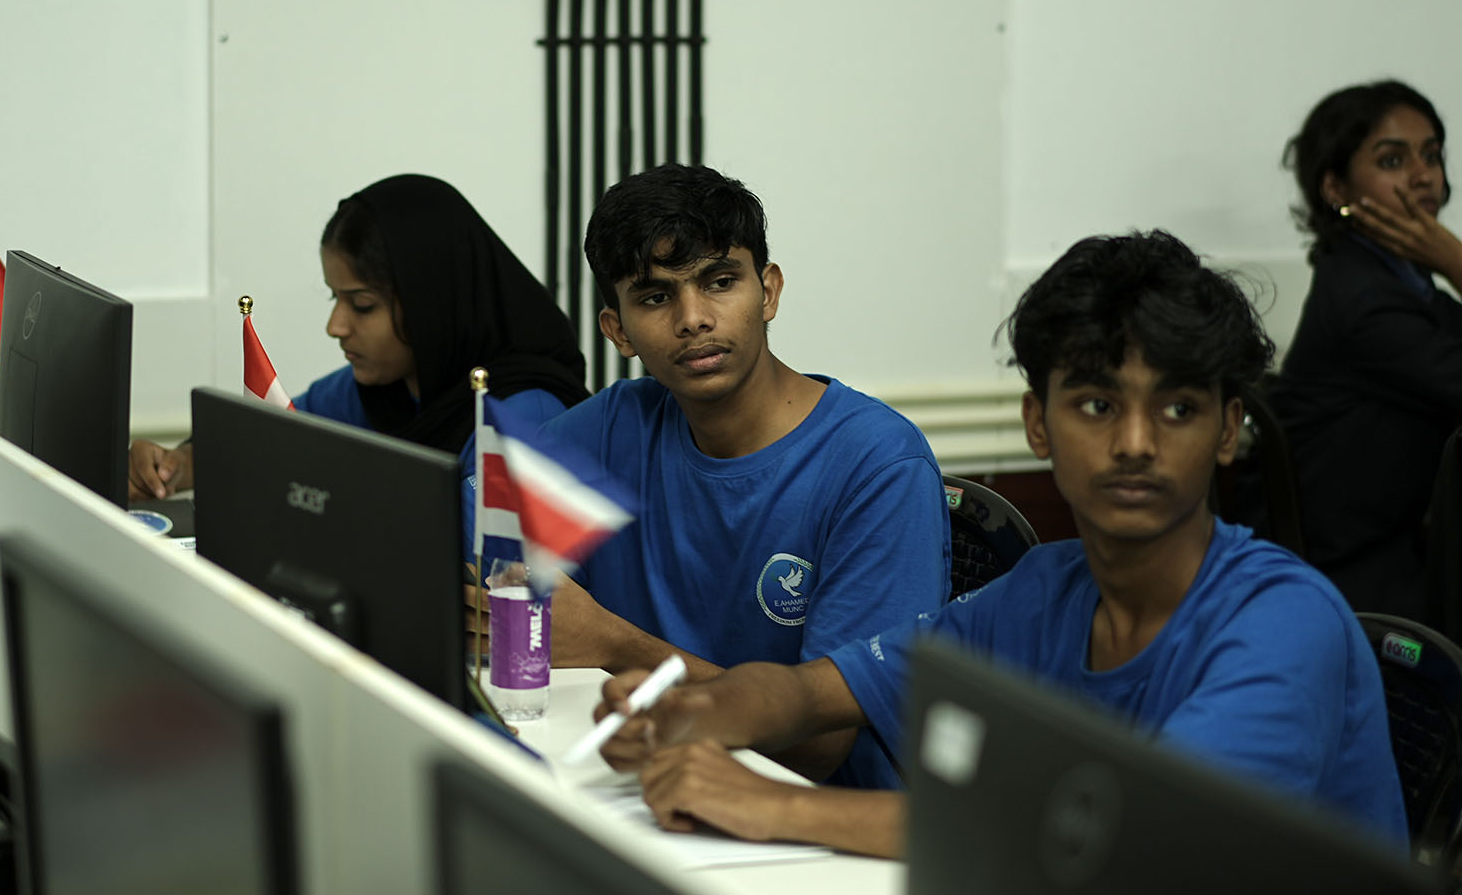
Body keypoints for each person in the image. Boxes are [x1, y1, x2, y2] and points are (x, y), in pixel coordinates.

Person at [592, 231, 1406, 857]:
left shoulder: (1284, 620)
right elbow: (814, 692)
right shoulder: (1046, 588)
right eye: (1096, 406)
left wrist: (774, 804)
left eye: (1178, 409)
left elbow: (1126, 842)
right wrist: (699, 709)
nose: (1134, 443)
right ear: (1036, 425)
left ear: (1229, 429)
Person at [524, 163, 952, 791]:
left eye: (720, 282)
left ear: (768, 292)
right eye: (655, 297)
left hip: (820, 820)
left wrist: (613, 644)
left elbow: (821, 747)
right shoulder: (613, 427)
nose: (693, 319)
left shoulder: (877, 464)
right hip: (654, 786)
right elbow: (479, 533)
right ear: (617, 330)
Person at [128, 174, 589, 499]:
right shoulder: (379, 390)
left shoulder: (527, 418)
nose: (335, 326)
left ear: (433, 305)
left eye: (362, 305)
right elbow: (271, 440)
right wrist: (180, 465)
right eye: (335, 298)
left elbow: (484, 576)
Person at [1261, 80, 1459, 620]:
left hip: (1404, 552)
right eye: (1393, 160)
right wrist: (1456, 260)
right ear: (1335, 188)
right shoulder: (1363, 300)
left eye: (1432, 155)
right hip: (1349, 580)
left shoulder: (1406, 285)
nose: (1423, 175)